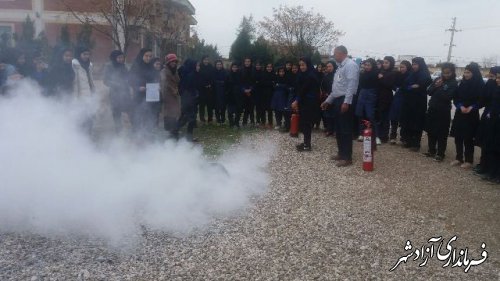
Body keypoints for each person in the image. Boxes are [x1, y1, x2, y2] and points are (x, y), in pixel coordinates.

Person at [321, 46, 360, 167]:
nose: (334, 56)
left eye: (335, 54)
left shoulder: (350, 65)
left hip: (345, 100)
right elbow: (336, 88)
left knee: (345, 129)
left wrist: (346, 102)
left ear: (341, 53)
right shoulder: (340, 67)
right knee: (338, 128)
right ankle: (341, 153)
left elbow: (351, 85)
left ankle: (347, 157)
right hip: (337, 99)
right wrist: (328, 101)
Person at [450, 63, 484, 169]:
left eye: (468, 72)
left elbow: (482, 100)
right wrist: (460, 106)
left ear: (474, 73)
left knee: (468, 138)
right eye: (465, 72)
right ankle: (459, 157)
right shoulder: (462, 83)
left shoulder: (480, 85)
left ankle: (469, 160)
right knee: (458, 137)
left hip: (471, 114)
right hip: (460, 113)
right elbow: (456, 97)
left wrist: (472, 107)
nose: (466, 74)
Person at [424, 63, 458, 162]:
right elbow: (429, 91)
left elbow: (447, 97)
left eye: (448, 73)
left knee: (442, 133)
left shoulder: (453, 83)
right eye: (444, 72)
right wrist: (435, 85)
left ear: (452, 72)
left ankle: (440, 153)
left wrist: (441, 86)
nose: (446, 75)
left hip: (443, 111)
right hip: (432, 109)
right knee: (431, 130)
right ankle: (431, 150)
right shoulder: (437, 80)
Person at [399, 57, 432, 151]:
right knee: (408, 121)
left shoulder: (424, 74)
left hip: (419, 103)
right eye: (413, 64)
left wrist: (415, 86)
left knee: (417, 122)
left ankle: (416, 144)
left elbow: (423, 83)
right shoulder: (411, 74)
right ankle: (408, 141)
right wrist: (412, 87)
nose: (414, 66)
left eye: (416, 64)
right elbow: (405, 86)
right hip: (408, 102)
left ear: (420, 65)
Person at [475, 66, 500, 176]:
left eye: (495, 77)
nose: (494, 79)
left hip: (496, 117)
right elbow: (483, 99)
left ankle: (491, 168)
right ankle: (483, 164)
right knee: (485, 141)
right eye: (492, 77)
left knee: (493, 144)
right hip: (488, 115)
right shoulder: (490, 84)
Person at [291, 57, 320, 151]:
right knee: (303, 123)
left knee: (306, 123)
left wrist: (296, 101)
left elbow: (304, 90)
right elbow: (299, 88)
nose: (301, 67)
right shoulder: (302, 75)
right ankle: (306, 142)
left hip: (309, 102)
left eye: (303, 65)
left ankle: (307, 145)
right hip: (303, 102)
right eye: (300, 65)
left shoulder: (311, 76)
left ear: (308, 64)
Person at [129, 48, 158, 135]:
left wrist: (157, 87)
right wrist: (138, 87)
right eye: (146, 56)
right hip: (138, 97)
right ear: (142, 55)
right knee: (138, 116)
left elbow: (155, 79)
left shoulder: (151, 67)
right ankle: (137, 137)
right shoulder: (136, 66)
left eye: (150, 56)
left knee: (148, 117)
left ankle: (147, 137)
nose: (148, 58)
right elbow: (130, 80)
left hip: (150, 97)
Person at [103, 50, 132, 133]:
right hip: (115, 95)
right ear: (114, 58)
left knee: (130, 111)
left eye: (122, 57)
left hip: (125, 93)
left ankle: (134, 131)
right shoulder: (109, 66)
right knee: (116, 114)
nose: (121, 59)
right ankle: (119, 133)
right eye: (119, 58)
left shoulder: (124, 66)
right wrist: (116, 84)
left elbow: (128, 77)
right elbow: (105, 80)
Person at [174, 59, 200, 141]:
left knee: (185, 118)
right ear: (193, 66)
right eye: (197, 65)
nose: (199, 67)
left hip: (189, 99)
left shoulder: (191, 74)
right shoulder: (191, 75)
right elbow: (188, 88)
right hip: (188, 99)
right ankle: (176, 133)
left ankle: (175, 133)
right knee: (189, 119)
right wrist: (195, 94)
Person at [355, 58, 380, 144]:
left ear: (372, 66)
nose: (366, 67)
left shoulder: (377, 74)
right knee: (360, 114)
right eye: (365, 65)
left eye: (368, 65)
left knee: (370, 115)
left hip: (371, 94)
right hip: (362, 93)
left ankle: (376, 136)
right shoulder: (362, 74)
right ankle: (361, 133)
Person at [389, 60, 411, 144]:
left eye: (403, 67)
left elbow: (410, 86)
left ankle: (403, 137)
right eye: (400, 67)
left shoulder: (410, 75)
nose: (401, 69)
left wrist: (404, 88)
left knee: (404, 118)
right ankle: (393, 136)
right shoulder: (397, 75)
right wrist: (396, 88)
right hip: (397, 97)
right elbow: (393, 84)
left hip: (406, 98)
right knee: (394, 117)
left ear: (407, 67)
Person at [377, 56, 397, 143]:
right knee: (379, 116)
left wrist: (381, 78)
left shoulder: (392, 73)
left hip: (386, 97)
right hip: (378, 96)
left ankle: (384, 136)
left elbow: (390, 85)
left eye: (387, 63)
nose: (384, 64)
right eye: (384, 62)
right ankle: (378, 134)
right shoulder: (381, 71)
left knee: (385, 117)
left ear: (391, 63)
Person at [160, 53, 181, 135]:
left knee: (174, 114)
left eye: (175, 62)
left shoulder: (175, 71)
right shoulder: (164, 71)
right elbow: (164, 82)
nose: (174, 63)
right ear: (168, 62)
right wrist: (172, 90)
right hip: (167, 96)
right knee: (168, 115)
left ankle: (173, 132)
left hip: (174, 96)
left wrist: (176, 90)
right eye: (172, 62)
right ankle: (169, 133)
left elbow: (178, 81)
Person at [321, 61, 336, 137]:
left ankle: (334, 130)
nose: (329, 68)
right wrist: (325, 93)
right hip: (327, 97)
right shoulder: (326, 76)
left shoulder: (337, 76)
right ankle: (329, 129)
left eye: (330, 66)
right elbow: (322, 86)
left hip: (335, 97)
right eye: (327, 67)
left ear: (334, 67)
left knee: (334, 115)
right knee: (328, 114)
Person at [226, 62, 243, 129]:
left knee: (238, 111)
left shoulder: (240, 75)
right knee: (230, 111)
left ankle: (237, 122)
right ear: (231, 68)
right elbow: (226, 85)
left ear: (237, 68)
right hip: (230, 95)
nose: (234, 68)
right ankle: (231, 123)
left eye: (236, 67)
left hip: (238, 95)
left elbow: (241, 84)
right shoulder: (228, 75)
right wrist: (227, 92)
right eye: (233, 67)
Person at [198, 55, 215, 123]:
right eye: (205, 59)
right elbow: (198, 77)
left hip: (209, 89)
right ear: (202, 60)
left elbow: (213, 76)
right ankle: (202, 118)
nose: (206, 61)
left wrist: (210, 84)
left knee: (209, 104)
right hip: (202, 89)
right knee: (202, 104)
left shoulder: (211, 67)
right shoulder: (200, 67)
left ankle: (210, 118)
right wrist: (203, 85)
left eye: (207, 59)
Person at [260, 63, 275, 128]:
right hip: (263, 94)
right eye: (268, 67)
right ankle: (263, 122)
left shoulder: (274, 74)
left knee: (270, 109)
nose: (269, 68)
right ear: (266, 68)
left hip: (271, 94)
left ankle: (270, 123)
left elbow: (274, 84)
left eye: (270, 67)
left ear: (272, 68)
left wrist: (269, 83)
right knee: (263, 109)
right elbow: (261, 83)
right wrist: (270, 83)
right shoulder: (263, 74)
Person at [241, 57, 255, 126]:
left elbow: (254, 81)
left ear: (250, 62)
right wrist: (244, 90)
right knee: (246, 107)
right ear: (244, 62)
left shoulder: (253, 70)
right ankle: (244, 121)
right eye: (246, 61)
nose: (247, 62)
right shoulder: (241, 70)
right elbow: (240, 81)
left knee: (251, 107)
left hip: (252, 91)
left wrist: (250, 89)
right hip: (244, 91)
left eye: (249, 61)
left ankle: (252, 121)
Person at [214, 60, 227, 125]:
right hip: (215, 92)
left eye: (220, 64)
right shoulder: (213, 72)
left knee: (223, 106)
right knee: (216, 106)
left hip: (223, 91)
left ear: (222, 65)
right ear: (215, 65)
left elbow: (226, 81)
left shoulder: (225, 72)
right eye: (217, 64)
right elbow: (213, 81)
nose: (219, 65)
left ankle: (223, 118)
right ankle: (218, 119)